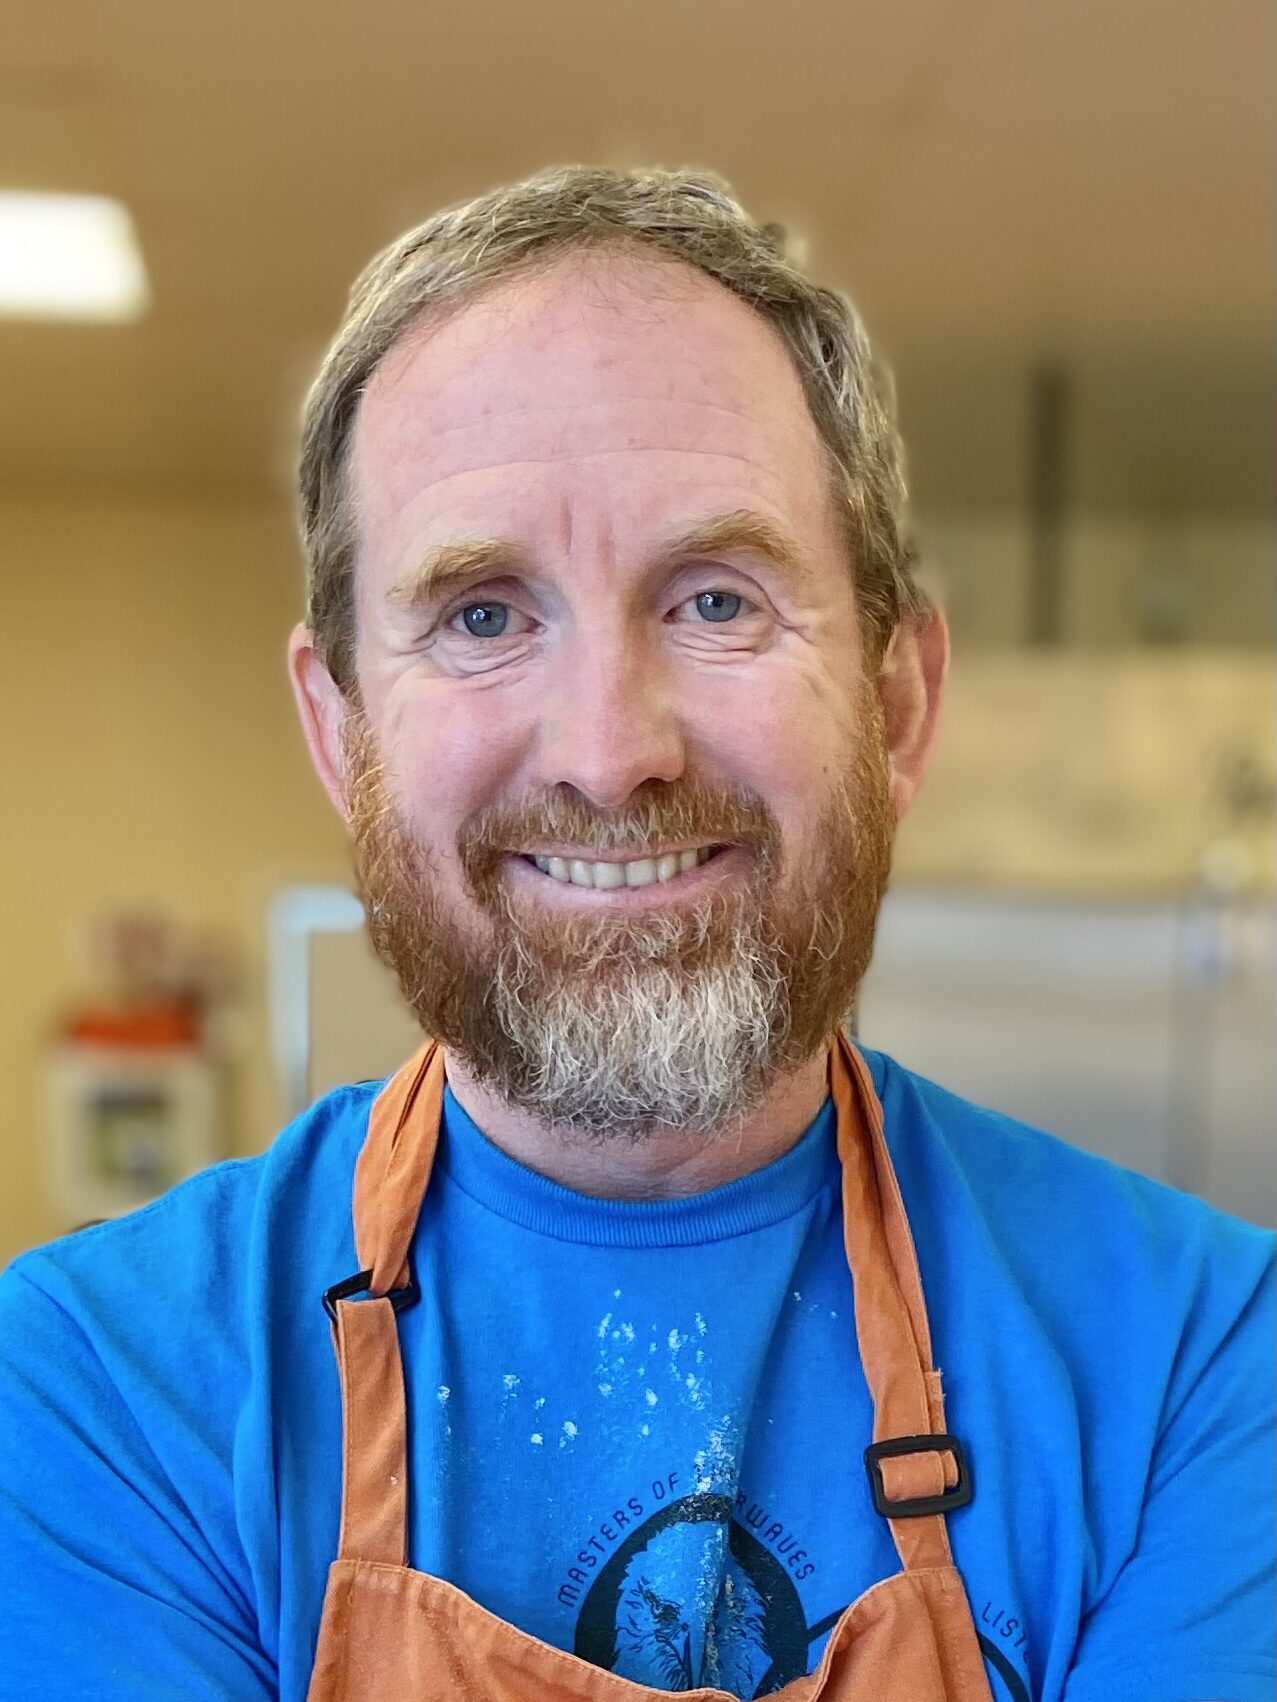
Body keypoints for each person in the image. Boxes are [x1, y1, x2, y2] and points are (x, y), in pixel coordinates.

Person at [0, 166, 1272, 1702]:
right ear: (341, 736)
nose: (611, 753)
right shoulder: (95, 1384)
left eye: (717, 600)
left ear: (893, 706)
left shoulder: (1203, 1360)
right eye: (481, 613)